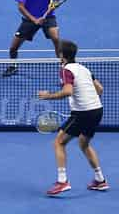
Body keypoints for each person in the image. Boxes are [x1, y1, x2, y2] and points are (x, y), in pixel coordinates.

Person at [38, 40, 109, 196]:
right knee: (84, 143)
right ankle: (100, 180)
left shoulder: (66, 70)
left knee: (59, 142)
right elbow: (100, 89)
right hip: (97, 110)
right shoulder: (83, 68)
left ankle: (62, 182)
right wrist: (87, 98)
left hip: (82, 113)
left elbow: (68, 91)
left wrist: (48, 96)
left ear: (61, 55)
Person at [3, 0, 60, 77]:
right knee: (13, 47)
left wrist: (55, 5)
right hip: (30, 19)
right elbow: (20, 6)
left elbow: (56, 0)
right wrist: (34, 20)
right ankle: (13, 65)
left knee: (56, 38)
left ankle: (64, 66)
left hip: (48, 17)